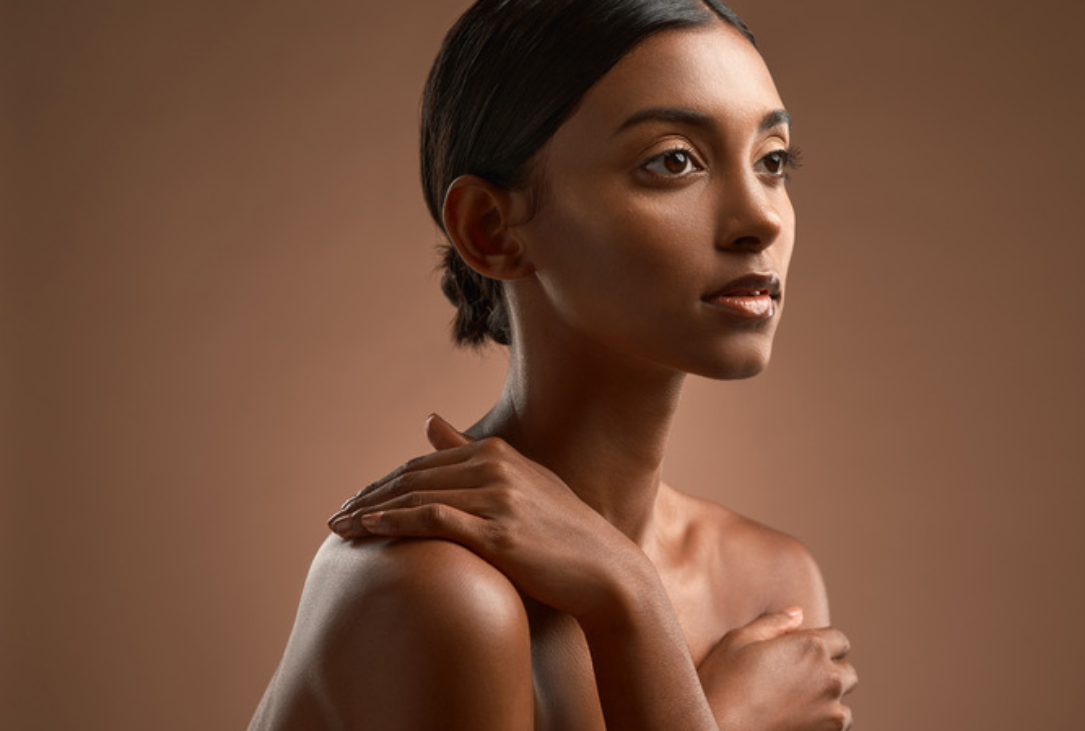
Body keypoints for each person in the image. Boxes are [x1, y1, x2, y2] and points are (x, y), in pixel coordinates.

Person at [250, 0, 856, 728]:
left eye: (773, 161)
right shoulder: (439, 589)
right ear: (491, 229)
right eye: (674, 161)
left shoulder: (769, 580)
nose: (761, 217)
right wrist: (653, 623)